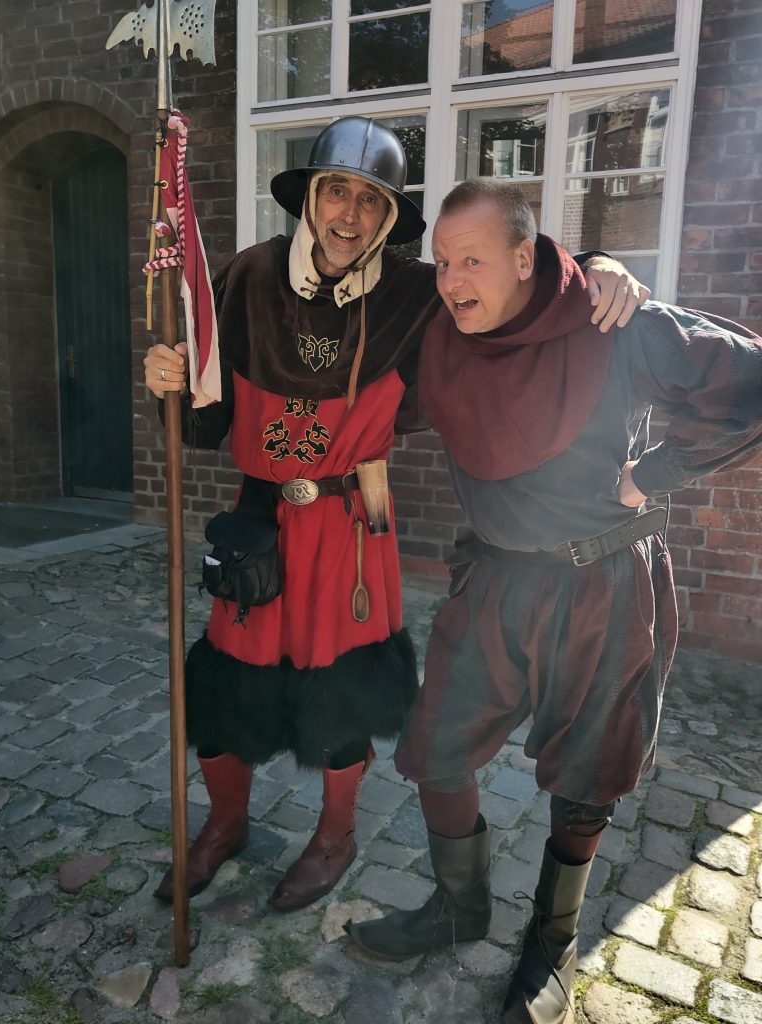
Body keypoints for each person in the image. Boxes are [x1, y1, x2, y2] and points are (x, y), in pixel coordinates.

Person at [143, 119, 647, 913]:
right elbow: (204, 423)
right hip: (258, 520)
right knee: (228, 684)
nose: (350, 215)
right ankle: (224, 824)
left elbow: (511, 285)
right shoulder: (245, 278)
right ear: (310, 196)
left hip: (350, 527)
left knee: (341, 691)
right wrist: (170, 380)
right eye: (336, 191)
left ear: (388, 218)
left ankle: (335, 836)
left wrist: (599, 266)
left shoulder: (417, 294)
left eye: (371, 201)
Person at [345, 178, 762, 1023]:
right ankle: (459, 908)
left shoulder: (614, 322)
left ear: (525, 258)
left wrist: (658, 473)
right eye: (441, 262)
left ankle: (552, 940)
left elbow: (748, 382)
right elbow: (345, 379)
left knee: (587, 774)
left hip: (603, 585)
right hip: (493, 578)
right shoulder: (439, 339)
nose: (451, 280)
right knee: (436, 747)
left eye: (472, 260)